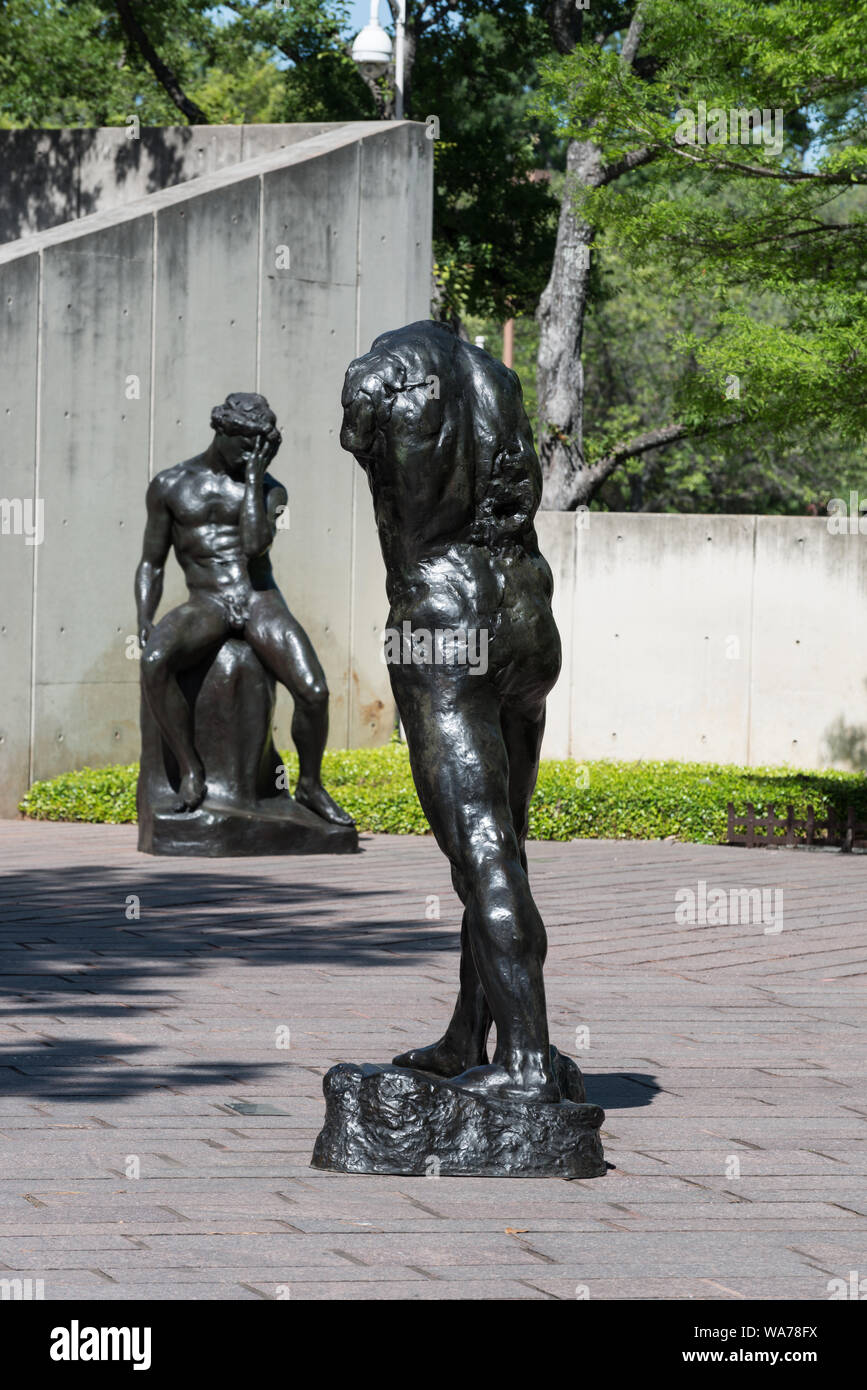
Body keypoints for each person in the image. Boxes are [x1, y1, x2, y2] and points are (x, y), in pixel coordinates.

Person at [341, 322, 562, 1102]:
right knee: (503, 843)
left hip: (442, 615)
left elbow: (368, 455)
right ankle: (472, 1033)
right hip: (527, 613)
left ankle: (530, 1065)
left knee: (481, 850)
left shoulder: (380, 374)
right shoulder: (497, 380)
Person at [135, 391, 352, 827]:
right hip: (207, 600)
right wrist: (144, 616)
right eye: (246, 445)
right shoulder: (171, 484)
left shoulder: (271, 490)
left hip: (258, 597)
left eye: (262, 447)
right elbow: (151, 563)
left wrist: (255, 479)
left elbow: (254, 546)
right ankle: (192, 771)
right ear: (222, 431)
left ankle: (310, 784)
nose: (253, 454)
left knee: (315, 690)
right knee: (155, 660)